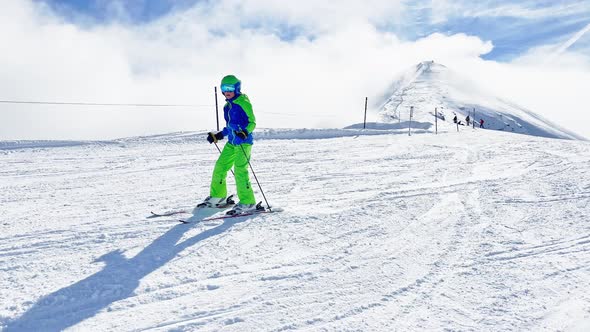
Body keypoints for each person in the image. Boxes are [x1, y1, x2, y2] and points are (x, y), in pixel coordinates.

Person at [201, 75, 257, 214]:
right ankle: (219, 196)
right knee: (220, 167)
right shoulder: (227, 106)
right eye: (224, 88)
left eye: (230, 88)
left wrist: (244, 133)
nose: (227, 91)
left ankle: (248, 202)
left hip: (243, 142)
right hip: (232, 142)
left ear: (237, 88)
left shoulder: (243, 102)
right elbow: (229, 126)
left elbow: (252, 122)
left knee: (240, 170)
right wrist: (219, 135)